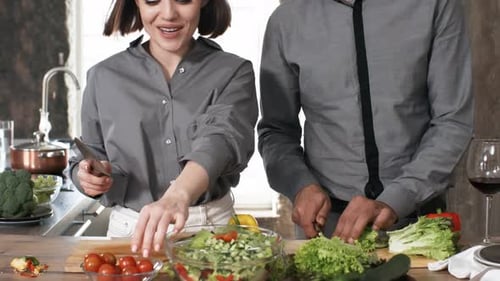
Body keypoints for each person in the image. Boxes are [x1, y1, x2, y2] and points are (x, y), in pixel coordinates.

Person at [258, 0, 473, 241]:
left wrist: (397, 198)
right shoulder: (286, 21)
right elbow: (276, 132)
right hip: (326, 229)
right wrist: (300, 185)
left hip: (419, 226)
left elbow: (452, 121)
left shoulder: (436, 5)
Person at [67, 0, 258, 257]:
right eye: (152, 1)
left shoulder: (233, 72)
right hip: (130, 234)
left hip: (212, 230)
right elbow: (88, 155)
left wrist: (179, 194)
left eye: (183, 0)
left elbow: (222, 138)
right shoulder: (103, 77)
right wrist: (88, 177)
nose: (168, 14)